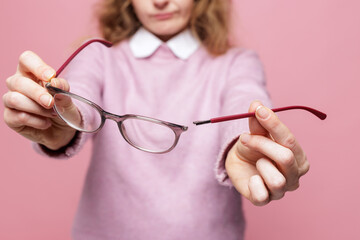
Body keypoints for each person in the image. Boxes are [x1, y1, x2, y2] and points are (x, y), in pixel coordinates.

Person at [3, 0, 309, 239]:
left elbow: (245, 99)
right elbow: (78, 102)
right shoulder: (99, 56)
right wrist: (60, 120)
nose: (159, 2)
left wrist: (247, 143)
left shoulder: (237, 63)